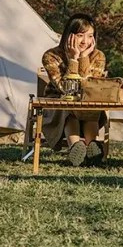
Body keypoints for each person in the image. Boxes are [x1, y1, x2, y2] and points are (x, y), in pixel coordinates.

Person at [41, 13, 107, 167]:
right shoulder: (51, 56)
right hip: (58, 102)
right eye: (80, 35)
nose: (85, 41)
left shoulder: (98, 56)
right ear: (69, 35)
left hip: (87, 101)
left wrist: (84, 57)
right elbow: (65, 88)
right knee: (70, 107)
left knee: (90, 108)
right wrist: (73, 59)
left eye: (90, 36)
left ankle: (92, 149)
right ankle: (76, 149)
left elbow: (88, 85)